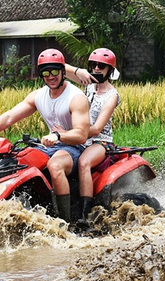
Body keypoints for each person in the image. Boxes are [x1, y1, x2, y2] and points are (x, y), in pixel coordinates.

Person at [0, 48, 90, 222]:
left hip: (74, 148)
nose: (51, 76)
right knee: (17, 163)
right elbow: (10, 117)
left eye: (55, 71)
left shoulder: (76, 97)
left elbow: (81, 134)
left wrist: (58, 136)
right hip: (48, 146)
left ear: (63, 71)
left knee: (55, 166)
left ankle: (65, 223)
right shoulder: (38, 96)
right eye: (46, 72)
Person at [63, 48, 120, 224]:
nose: (96, 68)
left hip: (100, 141)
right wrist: (79, 71)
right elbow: (59, 68)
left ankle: (85, 214)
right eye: (93, 65)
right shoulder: (88, 85)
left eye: (101, 66)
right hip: (79, 138)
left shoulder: (112, 96)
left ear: (110, 70)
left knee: (84, 162)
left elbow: (96, 128)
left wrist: (66, 134)